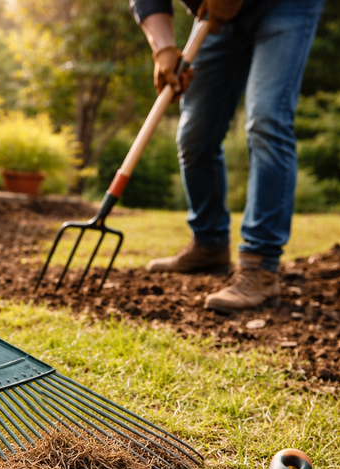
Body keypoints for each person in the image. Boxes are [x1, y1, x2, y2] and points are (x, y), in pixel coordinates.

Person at [130, 0, 325, 311]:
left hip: (286, 6)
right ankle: (210, 243)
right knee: (195, 133)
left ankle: (260, 267)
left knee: (266, 121)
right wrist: (164, 48)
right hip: (216, 15)